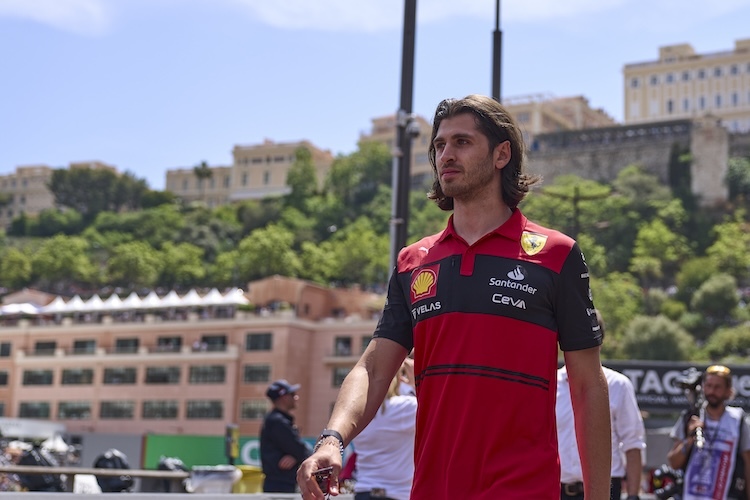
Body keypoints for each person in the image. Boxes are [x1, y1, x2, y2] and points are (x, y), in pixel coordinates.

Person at [296, 94, 611, 499]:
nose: (446, 154)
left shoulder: (556, 254)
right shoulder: (413, 262)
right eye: (439, 145)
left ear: (501, 155)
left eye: (462, 142)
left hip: (523, 488)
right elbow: (374, 370)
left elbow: (587, 385)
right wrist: (332, 440)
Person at [557, 311, 646, 500]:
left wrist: (633, 496)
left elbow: (633, 443)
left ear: (599, 340)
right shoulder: (552, 382)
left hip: (606, 489)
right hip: (557, 489)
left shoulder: (619, 385)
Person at [666, 365, 750, 500]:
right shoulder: (690, 417)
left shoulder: (738, 420)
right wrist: (689, 438)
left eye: (717, 387)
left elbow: (748, 463)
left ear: (728, 391)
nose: (712, 391)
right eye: (709, 386)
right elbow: (673, 462)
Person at [351, 357, 417, 500]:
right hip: (395, 494)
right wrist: (414, 383)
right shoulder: (404, 407)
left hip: (363, 491)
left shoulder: (358, 413)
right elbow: (434, 411)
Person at [260, 379, 311, 493]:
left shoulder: (277, 420)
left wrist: (295, 456)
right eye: (292, 394)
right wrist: (297, 455)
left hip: (281, 482)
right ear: (283, 397)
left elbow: (299, 451)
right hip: (279, 484)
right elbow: (302, 451)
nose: (296, 398)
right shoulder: (277, 421)